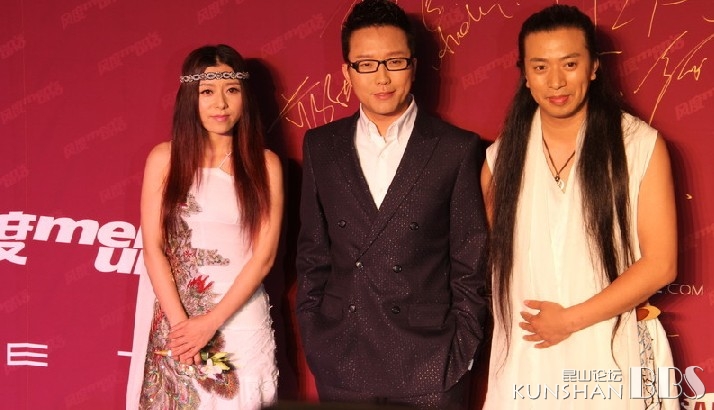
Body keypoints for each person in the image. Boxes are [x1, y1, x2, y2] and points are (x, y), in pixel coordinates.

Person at [480, 4, 678, 409]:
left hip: (612, 354)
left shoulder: (639, 145)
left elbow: (661, 264)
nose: (556, 81)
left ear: (593, 67)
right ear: (525, 75)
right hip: (527, 363)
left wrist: (569, 320)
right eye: (540, 67)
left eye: (569, 64)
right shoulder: (500, 160)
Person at [295, 1, 489, 409]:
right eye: (366, 64)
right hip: (343, 358)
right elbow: (313, 255)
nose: (381, 77)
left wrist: (460, 352)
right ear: (347, 72)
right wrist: (316, 337)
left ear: (413, 66)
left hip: (431, 363)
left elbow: (471, 263)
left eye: (394, 62)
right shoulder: (321, 146)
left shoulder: (456, 148)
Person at [126, 44, 283, 409]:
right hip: (177, 319)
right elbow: (153, 248)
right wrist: (183, 327)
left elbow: (264, 257)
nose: (220, 104)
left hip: (240, 319)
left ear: (245, 97)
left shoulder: (265, 164)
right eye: (207, 92)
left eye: (232, 90)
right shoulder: (165, 159)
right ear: (190, 98)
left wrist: (210, 322)